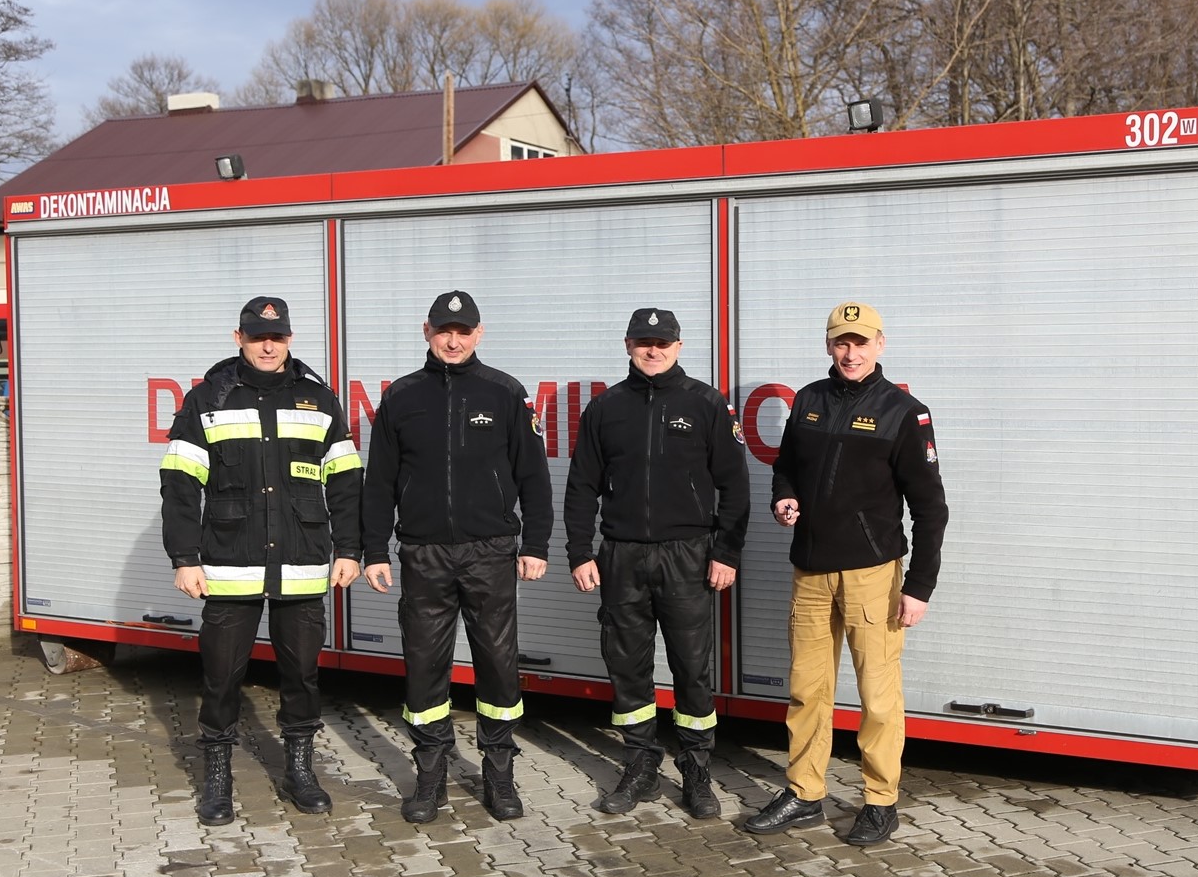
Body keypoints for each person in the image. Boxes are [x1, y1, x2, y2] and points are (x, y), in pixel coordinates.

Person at [743, 301, 948, 846]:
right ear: (828, 346)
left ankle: (881, 801)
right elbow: (786, 466)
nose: (850, 352)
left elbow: (931, 508)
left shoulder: (905, 411)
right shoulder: (808, 400)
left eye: (860, 342)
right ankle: (805, 792)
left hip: (872, 574)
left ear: (881, 344)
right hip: (810, 570)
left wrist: (919, 585)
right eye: (841, 342)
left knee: (878, 696)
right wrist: (784, 497)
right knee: (807, 691)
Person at [159, 296, 364, 827]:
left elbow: (345, 481)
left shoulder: (318, 399)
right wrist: (184, 557)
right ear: (239, 339)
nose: (268, 346)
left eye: (277, 337)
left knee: (302, 674)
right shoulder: (207, 399)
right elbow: (180, 484)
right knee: (221, 677)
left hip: (301, 563)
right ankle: (218, 778)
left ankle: (300, 769)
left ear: (289, 339)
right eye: (256, 337)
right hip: (230, 566)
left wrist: (350, 550)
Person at [360, 290, 553, 824]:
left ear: (478, 334)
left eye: (463, 331)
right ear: (426, 331)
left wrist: (535, 544)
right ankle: (430, 778)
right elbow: (378, 483)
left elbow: (534, 478)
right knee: (425, 668)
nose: (453, 340)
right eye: (444, 330)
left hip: (490, 552)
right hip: (422, 553)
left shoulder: (505, 393)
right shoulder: (402, 397)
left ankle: (499, 775)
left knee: (497, 664)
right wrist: (375, 549)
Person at [564, 308, 750, 818]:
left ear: (679, 345)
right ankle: (641, 766)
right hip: (621, 555)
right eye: (644, 341)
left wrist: (726, 553)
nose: (653, 350)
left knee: (692, 668)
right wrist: (580, 551)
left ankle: (696, 771)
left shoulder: (706, 404)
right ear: (628, 345)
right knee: (628, 668)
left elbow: (735, 486)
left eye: (662, 342)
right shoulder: (606, 409)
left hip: (688, 556)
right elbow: (581, 486)